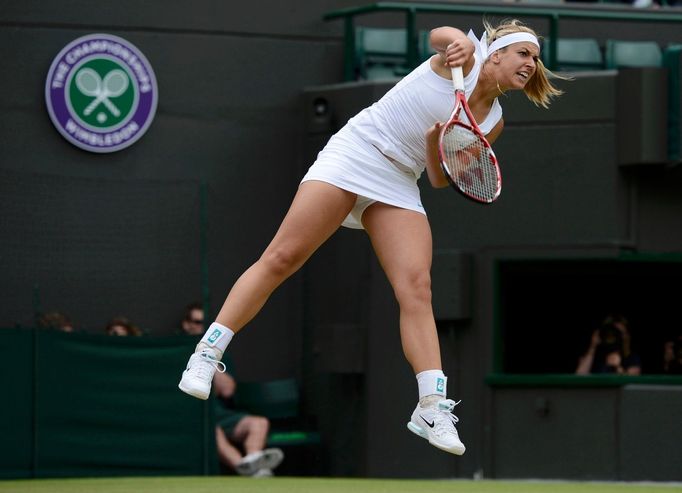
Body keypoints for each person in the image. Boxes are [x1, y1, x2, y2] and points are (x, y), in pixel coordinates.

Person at [179, 19, 565, 456]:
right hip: (358, 151)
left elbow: (440, 179)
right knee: (283, 256)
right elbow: (440, 35)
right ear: (496, 54)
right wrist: (455, 43)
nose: (532, 64)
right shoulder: (463, 58)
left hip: (400, 178)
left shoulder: (491, 121)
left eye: (535, 59)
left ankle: (431, 405)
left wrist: (435, 143)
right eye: (524, 55)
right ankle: (207, 354)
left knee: (417, 287)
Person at [180, 302, 284, 476]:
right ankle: (249, 470)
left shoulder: (220, 353)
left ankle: (253, 459)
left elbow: (227, 390)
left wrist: (208, 356)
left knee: (259, 423)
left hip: (219, 412)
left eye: (205, 323)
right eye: (197, 322)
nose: (201, 327)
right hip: (193, 414)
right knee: (214, 431)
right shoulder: (176, 349)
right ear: (186, 324)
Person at [575, 314, 642, 375]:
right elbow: (579, 375)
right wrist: (593, 346)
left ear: (626, 336)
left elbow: (633, 384)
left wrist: (618, 367)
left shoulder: (632, 358)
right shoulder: (594, 356)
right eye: (612, 332)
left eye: (619, 333)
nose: (615, 336)